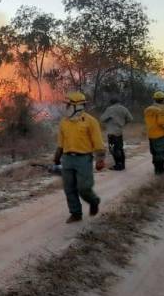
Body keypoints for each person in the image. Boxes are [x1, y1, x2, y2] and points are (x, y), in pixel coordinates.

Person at [53, 92, 105, 223]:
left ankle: (94, 201)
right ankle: (76, 213)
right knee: (69, 188)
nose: (66, 107)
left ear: (78, 106)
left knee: (84, 188)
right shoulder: (64, 122)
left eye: (68, 105)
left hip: (84, 159)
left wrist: (100, 158)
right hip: (67, 158)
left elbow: (98, 141)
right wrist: (56, 159)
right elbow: (60, 143)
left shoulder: (91, 121)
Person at [100, 97, 134, 171]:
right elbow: (130, 119)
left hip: (111, 132)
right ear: (118, 101)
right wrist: (123, 123)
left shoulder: (109, 109)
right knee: (120, 148)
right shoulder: (124, 108)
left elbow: (102, 119)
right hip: (119, 131)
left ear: (111, 102)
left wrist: (108, 118)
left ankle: (118, 165)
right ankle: (122, 165)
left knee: (113, 149)